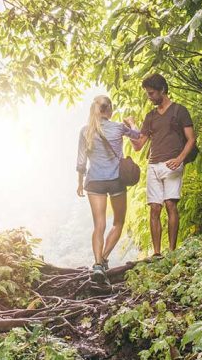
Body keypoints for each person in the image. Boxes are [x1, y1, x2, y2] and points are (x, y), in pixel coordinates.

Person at [126, 74, 196, 256]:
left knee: (171, 204)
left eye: (151, 93)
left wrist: (180, 159)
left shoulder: (179, 111)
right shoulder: (150, 117)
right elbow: (139, 146)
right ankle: (157, 253)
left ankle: (172, 251)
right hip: (153, 166)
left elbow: (191, 139)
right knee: (155, 208)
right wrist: (131, 128)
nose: (149, 97)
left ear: (162, 90)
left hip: (173, 163)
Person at [76, 95, 140, 283]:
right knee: (118, 223)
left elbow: (81, 162)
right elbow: (138, 136)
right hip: (116, 181)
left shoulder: (85, 131)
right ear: (110, 110)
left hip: (94, 181)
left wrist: (80, 182)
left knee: (99, 225)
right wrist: (132, 123)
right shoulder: (119, 128)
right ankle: (103, 259)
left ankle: (97, 264)